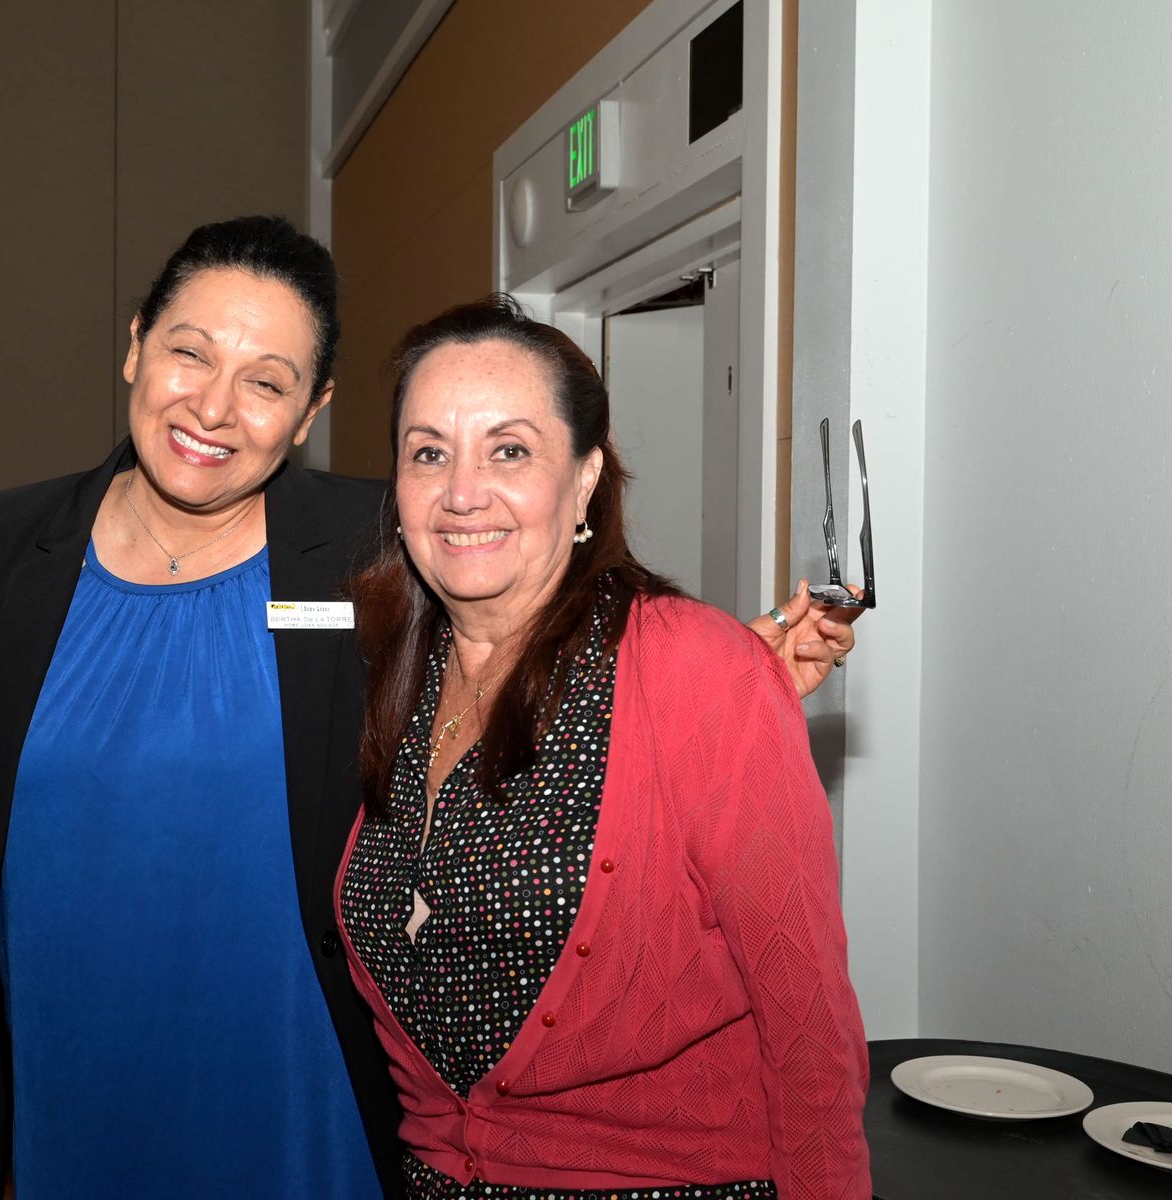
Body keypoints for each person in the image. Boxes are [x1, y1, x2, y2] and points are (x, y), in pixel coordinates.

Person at [0, 217, 858, 1200]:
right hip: (69, 1062)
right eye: (190, 352)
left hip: (295, 1083)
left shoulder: (371, 543)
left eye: (267, 381)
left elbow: (531, 603)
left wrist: (719, 678)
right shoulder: (8, 542)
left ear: (311, 411)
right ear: (136, 344)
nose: (215, 406)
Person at [338, 296, 870, 1199]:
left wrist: (726, 685)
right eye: (429, 452)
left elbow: (808, 1026)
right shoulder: (397, 675)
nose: (462, 491)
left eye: (509, 450)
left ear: (585, 478)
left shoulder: (692, 668)